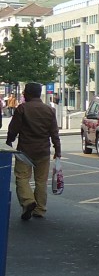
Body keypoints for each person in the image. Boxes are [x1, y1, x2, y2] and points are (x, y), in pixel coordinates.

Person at [6, 82, 63, 220]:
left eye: (25, 91)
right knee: (41, 181)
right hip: (43, 151)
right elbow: (54, 133)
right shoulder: (49, 110)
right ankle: (40, 209)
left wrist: (9, 141)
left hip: (25, 150)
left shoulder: (22, 109)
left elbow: (14, 128)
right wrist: (58, 149)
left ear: (29, 93)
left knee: (22, 177)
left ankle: (28, 201)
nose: (24, 93)